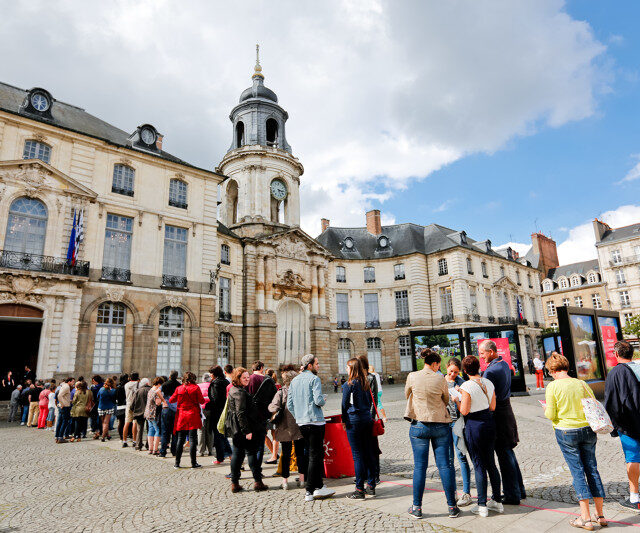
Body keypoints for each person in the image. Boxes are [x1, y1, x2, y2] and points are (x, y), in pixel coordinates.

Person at [544, 353, 606, 529]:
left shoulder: (553, 387)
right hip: (587, 430)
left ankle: (585, 518)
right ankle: (600, 515)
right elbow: (592, 404)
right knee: (592, 469)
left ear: (552, 370)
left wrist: (545, 408)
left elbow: (551, 415)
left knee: (578, 472)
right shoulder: (581, 383)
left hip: (566, 431)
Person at [405, 348, 460, 519]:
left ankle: (417, 507)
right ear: (435, 364)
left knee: (419, 467)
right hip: (440, 425)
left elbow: (407, 393)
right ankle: (452, 506)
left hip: (419, 424)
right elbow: (445, 399)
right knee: (444, 465)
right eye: (438, 365)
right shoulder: (440, 378)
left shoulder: (412, 376)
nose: (438, 368)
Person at [479, 339, 525, 505]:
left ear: (491, 352)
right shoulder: (504, 364)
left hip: (498, 415)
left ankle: (512, 494)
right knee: (509, 453)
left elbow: (487, 397)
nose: (481, 357)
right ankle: (519, 489)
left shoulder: (490, 372)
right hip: (507, 412)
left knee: (504, 456)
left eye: (482, 353)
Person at [455, 356, 502, 518]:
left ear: (465, 370)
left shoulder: (466, 385)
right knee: (491, 463)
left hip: (474, 425)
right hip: (489, 422)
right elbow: (493, 406)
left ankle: (481, 504)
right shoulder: (488, 382)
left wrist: (456, 400)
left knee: (478, 464)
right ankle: (497, 500)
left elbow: (464, 411)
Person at [287, 354, 335, 502]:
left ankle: (319, 486)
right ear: (310, 365)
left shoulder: (294, 381)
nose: (318, 366)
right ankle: (309, 491)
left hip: (302, 422)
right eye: (317, 364)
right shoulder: (314, 379)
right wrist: (324, 399)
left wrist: (299, 416)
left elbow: (289, 405)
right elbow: (318, 401)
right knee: (315, 455)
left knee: (313, 455)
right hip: (315, 421)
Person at [604, 340, 640, 513]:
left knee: (633, 457)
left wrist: (613, 424)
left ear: (616, 354)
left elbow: (611, 401)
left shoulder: (615, 373)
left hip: (629, 423)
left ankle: (634, 497)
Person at [225, 367, 268, 492]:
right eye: (244, 377)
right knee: (250, 454)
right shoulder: (240, 392)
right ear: (237, 378)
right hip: (244, 428)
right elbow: (240, 412)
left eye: (248, 377)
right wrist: (247, 431)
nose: (247, 379)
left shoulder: (234, 389)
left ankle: (235, 483)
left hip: (237, 427)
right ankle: (257, 482)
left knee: (237, 455)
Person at [342, 358, 377, 499]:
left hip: (354, 420)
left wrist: (344, 420)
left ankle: (359, 489)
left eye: (347, 367)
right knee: (368, 452)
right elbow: (369, 402)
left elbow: (344, 405)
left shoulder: (348, 384)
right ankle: (371, 485)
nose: (346, 370)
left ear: (352, 369)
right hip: (366, 419)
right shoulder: (365, 383)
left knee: (357, 455)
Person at [268, 367, 306, 490]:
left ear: (285, 381)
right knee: (300, 454)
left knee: (286, 455)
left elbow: (273, 408)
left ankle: (285, 481)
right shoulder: (301, 391)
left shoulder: (281, 392)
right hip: (299, 426)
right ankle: (302, 479)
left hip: (285, 428)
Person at [444, 358, 472, 507]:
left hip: (457, 422)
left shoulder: (461, 382)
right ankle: (451, 491)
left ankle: (466, 492)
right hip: (444, 422)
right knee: (448, 459)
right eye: (451, 371)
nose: (453, 374)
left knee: (461, 456)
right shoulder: (441, 381)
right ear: (446, 367)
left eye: (456, 371)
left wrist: (457, 398)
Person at [170, 371, 204, 469]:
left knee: (180, 439)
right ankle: (193, 463)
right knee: (193, 439)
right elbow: (201, 400)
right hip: (193, 415)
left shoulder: (179, 388)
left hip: (182, 415)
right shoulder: (196, 388)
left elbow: (172, 400)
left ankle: (177, 463)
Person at [248, 361, 278, 466]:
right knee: (272, 435)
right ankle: (272, 456)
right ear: (261, 368)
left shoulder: (249, 378)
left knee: (258, 438)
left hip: (252, 413)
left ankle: (253, 465)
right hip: (267, 413)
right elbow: (275, 397)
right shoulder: (267, 380)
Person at [207, 365, 232, 464]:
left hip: (216, 412)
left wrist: (208, 404)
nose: (210, 375)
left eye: (211, 373)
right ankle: (229, 455)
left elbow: (215, 399)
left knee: (218, 435)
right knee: (222, 434)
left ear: (214, 374)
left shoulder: (215, 384)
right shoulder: (225, 382)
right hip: (224, 410)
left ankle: (220, 457)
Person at [159, 370, 180, 458]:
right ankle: (174, 451)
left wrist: (163, 401)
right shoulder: (179, 385)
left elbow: (157, 392)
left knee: (164, 431)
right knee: (174, 432)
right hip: (176, 409)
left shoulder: (165, 384)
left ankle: (163, 452)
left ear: (170, 376)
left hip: (166, 408)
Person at [145, 377, 165, 455]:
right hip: (154, 413)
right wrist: (163, 400)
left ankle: (150, 449)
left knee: (151, 430)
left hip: (148, 413)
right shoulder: (156, 391)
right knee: (158, 430)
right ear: (159, 384)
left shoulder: (150, 390)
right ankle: (155, 449)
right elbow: (158, 403)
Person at [264, 368, 280, 464]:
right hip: (275, 413)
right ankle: (274, 454)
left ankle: (274, 454)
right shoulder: (278, 386)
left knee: (263, 434)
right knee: (275, 435)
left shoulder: (265, 385)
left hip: (267, 412)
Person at [131, 378, 151, 450]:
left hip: (139, 412)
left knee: (139, 429)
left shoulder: (138, 391)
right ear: (148, 383)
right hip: (149, 413)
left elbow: (132, 403)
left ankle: (138, 445)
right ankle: (148, 444)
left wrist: (133, 409)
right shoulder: (151, 390)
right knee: (150, 429)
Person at [197, 372, 214, 457]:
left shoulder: (198, 386)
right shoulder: (212, 386)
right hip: (210, 409)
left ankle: (201, 451)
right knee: (209, 430)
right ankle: (210, 450)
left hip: (201, 410)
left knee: (201, 430)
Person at [122, 372, 140, 448]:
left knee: (127, 422)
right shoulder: (138, 384)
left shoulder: (126, 385)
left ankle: (124, 440)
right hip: (136, 404)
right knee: (135, 422)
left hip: (128, 403)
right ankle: (134, 440)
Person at [55, 377, 75, 443]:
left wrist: (69, 401)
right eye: (72, 382)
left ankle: (57, 437)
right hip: (65, 407)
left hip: (64, 405)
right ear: (69, 381)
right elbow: (59, 396)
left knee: (60, 422)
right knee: (64, 422)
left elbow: (63, 396)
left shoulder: (64, 386)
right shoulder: (66, 387)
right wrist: (63, 403)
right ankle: (60, 437)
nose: (73, 383)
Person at [97, 378, 117, 442]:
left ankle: (106, 435)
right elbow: (114, 400)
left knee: (103, 423)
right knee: (106, 423)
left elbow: (97, 397)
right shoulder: (113, 390)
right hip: (109, 407)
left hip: (101, 407)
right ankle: (103, 436)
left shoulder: (101, 389)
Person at [115, 374, 129, 442]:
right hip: (126, 405)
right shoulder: (127, 386)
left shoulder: (118, 387)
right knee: (127, 422)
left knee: (121, 422)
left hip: (119, 406)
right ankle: (126, 436)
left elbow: (116, 397)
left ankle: (121, 437)